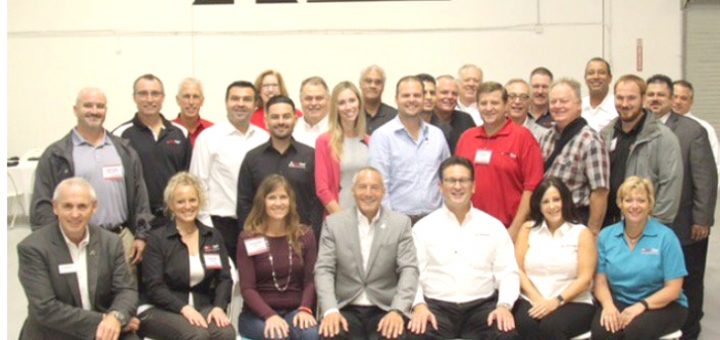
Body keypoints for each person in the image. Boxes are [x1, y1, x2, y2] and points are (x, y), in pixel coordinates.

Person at [31, 87, 153, 272]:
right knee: (82, 296)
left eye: (100, 106)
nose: (94, 111)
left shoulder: (124, 151)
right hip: (77, 242)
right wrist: (54, 245)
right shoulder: (56, 154)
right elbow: (42, 205)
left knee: (126, 295)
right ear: (75, 110)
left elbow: (140, 197)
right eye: (88, 105)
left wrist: (141, 236)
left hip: (121, 239)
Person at [409, 157, 519, 340]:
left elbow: (508, 272)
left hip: (482, 309)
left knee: (507, 335)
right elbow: (412, 273)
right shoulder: (423, 228)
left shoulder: (493, 226)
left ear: (473, 186)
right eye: (451, 181)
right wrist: (419, 305)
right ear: (440, 186)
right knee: (415, 335)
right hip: (435, 309)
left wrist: (504, 306)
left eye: (463, 180)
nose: (457, 186)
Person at [18, 177, 140, 340]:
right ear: (55, 207)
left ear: (94, 207)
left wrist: (117, 316)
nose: (75, 214)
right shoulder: (33, 248)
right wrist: (105, 320)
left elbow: (126, 290)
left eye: (82, 206)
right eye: (67, 206)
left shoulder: (110, 242)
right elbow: (45, 308)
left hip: (104, 331)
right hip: (55, 332)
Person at [645, 74, 717, 339]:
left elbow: (706, 178)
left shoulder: (691, 131)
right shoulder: (641, 127)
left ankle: (690, 330)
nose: (655, 99)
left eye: (661, 95)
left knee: (690, 280)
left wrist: (702, 219)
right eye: (650, 95)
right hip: (650, 222)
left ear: (671, 99)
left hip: (686, 224)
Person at [315, 167, 418, 340]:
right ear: (353, 191)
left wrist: (397, 310)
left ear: (383, 192)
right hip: (345, 307)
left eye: (374, 187)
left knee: (396, 336)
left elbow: (409, 269)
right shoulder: (334, 224)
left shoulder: (400, 224)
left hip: (385, 308)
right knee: (331, 335)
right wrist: (330, 310)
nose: (368, 193)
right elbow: (324, 269)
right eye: (362, 187)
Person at [139, 172, 235, 340]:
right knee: (197, 335)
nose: (187, 206)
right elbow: (154, 286)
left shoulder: (212, 236)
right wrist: (184, 308)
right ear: (171, 205)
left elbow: (224, 278)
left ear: (200, 201)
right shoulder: (157, 238)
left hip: (201, 304)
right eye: (180, 201)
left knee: (226, 333)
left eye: (192, 200)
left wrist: (219, 307)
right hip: (160, 308)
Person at [592, 176, 688, 339]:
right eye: (628, 200)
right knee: (602, 332)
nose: (634, 206)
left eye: (641, 200)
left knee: (632, 333)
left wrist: (641, 306)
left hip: (664, 305)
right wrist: (608, 306)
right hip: (620, 300)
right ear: (620, 204)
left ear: (650, 204)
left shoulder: (666, 238)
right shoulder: (606, 236)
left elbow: (673, 289)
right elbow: (600, 281)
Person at [190, 80, 269, 262]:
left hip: (256, 225)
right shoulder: (209, 138)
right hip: (220, 225)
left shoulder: (264, 138)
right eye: (235, 99)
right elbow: (197, 185)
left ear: (255, 104)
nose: (240, 104)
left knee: (253, 280)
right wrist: (207, 229)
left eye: (246, 99)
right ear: (226, 103)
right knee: (223, 284)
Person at [455, 81, 544, 239]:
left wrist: (515, 229)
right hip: (469, 229)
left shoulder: (523, 137)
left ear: (506, 106)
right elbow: (456, 183)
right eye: (483, 103)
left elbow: (532, 188)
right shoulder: (467, 138)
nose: (489, 108)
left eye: (495, 103)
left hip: (509, 229)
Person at [236, 175, 319, 339]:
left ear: (290, 202)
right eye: (272, 197)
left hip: (294, 311)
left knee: (310, 334)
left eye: (283, 197)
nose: (278, 203)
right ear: (262, 202)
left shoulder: (305, 235)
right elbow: (247, 288)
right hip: (256, 315)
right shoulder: (249, 237)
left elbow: (310, 281)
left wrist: (304, 309)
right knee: (278, 335)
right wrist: (269, 315)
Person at [513, 178, 596, 340]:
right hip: (532, 299)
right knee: (524, 324)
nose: (552, 206)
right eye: (546, 202)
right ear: (539, 206)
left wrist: (555, 302)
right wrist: (537, 299)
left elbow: (585, 279)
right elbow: (518, 269)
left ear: (565, 201)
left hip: (572, 301)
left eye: (556, 200)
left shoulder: (581, 233)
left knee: (551, 327)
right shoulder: (527, 229)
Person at [598, 75, 682, 227]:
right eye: (620, 98)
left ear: (643, 99)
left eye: (631, 98)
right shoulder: (606, 134)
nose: (624, 104)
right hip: (610, 226)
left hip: (646, 227)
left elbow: (670, 187)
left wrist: (654, 227)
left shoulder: (662, 137)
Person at [237, 95, 324, 238]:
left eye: (286, 116)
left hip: (301, 239)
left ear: (295, 120)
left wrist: (311, 236)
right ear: (266, 121)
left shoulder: (310, 156)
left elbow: (317, 204)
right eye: (275, 117)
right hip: (261, 240)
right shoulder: (252, 158)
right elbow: (244, 204)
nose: (281, 121)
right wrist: (251, 238)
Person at [114, 73, 192, 227]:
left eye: (155, 94)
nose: (149, 99)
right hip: (137, 224)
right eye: (143, 94)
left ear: (163, 97)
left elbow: (188, 178)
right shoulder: (120, 135)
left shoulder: (180, 133)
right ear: (134, 97)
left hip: (175, 220)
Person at [369, 76, 450, 224]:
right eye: (406, 95)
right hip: (398, 221)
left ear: (424, 98)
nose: (412, 99)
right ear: (396, 99)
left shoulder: (437, 135)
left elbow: (446, 178)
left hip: (436, 220)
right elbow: (379, 184)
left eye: (417, 95)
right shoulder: (382, 136)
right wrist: (390, 224)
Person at [538, 78, 610, 234]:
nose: (558, 106)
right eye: (553, 102)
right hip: (545, 220)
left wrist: (592, 233)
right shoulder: (545, 137)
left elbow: (600, 192)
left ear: (579, 106)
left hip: (575, 222)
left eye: (564, 101)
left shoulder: (591, 141)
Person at [315, 81, 370, 215]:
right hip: (338, 218)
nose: (348, 107)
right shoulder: (325, 141)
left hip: (367, 218)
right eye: (342, 103)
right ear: (335, 108)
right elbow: (322, 189)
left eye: (352, 100)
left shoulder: (370, 141)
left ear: (359, 103)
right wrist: (342, 219)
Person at [672, 80, 720, 188]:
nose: (678, 101)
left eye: (683, 98)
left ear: (691, 102)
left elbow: (715, 166)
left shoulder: (703, 128)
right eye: (674, 96)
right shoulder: (657, 126)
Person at [429, 75, 476, 154]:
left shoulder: (465, 119)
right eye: (444, 92)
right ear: (434, 95)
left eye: (454, 94)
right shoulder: (425, 119)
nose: (450, 97)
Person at [173, 77, 213, 145]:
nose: (191, 102)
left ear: (202, 101)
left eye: (195, 97)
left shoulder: (212, 130)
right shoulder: (166, 130)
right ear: (178, 100)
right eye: (186, 96)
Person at [581, 57, 617, 132]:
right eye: (591, 73)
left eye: (601, 73)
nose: (596, 77)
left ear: (610, 78)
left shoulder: (618, 106)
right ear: (585, 78)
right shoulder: (578, 106)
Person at [293, 76, 331, 147]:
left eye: (319, 98)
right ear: (301, 100)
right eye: (308, 98)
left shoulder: (337, 128)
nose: (313, 103)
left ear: (328, 99)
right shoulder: (292, 128)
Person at [360, 65, 398, 134]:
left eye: (378, 82)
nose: (373, 86)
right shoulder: (352, 114)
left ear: (383, 86)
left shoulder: (394, 116)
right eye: (368, 81)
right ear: (361, 84)